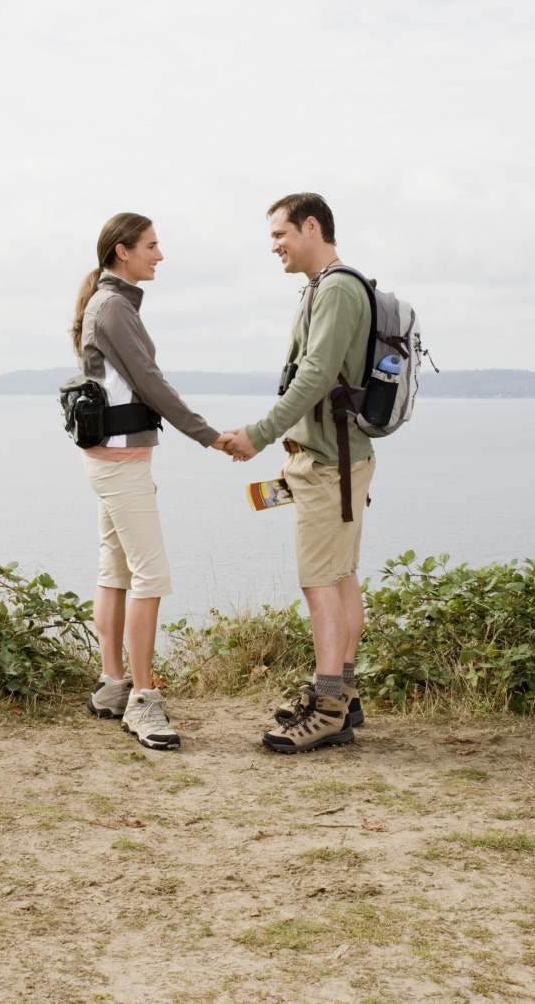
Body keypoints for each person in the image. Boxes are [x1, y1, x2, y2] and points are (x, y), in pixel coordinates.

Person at [223, 193, 375, 754]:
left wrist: (257, 434)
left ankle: (329, 707)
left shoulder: (335, 287)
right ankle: (343, 694)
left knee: (320, 583)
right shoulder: (326, 286)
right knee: (339, 575)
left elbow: (312, 378)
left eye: (280, 234)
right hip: (338, 457)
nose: (275, 246)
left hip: (328, 462)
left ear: (312, 226)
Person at [71, 213, 230, 751]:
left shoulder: (110, 303)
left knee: (114, 568)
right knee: (150, 577)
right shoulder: (113, 307)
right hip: (119, 463)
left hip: (116, 460)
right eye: (151, 246)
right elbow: (151, 384)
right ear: (122, 251)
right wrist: (209, 436)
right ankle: (142, 699)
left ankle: (113, 685)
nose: (159, 255)